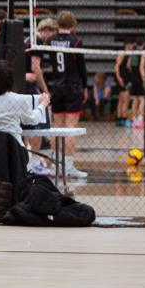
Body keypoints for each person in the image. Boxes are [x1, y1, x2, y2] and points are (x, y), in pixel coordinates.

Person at [32, 11, 88, 179]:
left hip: (56, 87)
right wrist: (85, 87)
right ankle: (68, 166)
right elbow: (81, 68)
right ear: (73, 25)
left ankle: (56, 163)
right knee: (70, 128)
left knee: (57, 126)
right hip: (72, 87)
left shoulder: (50, 40)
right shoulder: (76, 41)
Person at [0, 61, 51, 147]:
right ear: (11, 79)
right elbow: (33, 120)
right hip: (14, 151)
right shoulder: (18, 99)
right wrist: (43, 104)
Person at [24, 17, 57, 176]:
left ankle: (30, 162)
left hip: (22, 87)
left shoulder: (27, 38)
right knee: (36, 125)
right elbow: (35, 67)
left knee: (24, 127)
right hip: (29, 88)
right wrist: (45, 90)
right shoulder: (36, 41)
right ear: (48, 31)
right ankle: (35, 164)